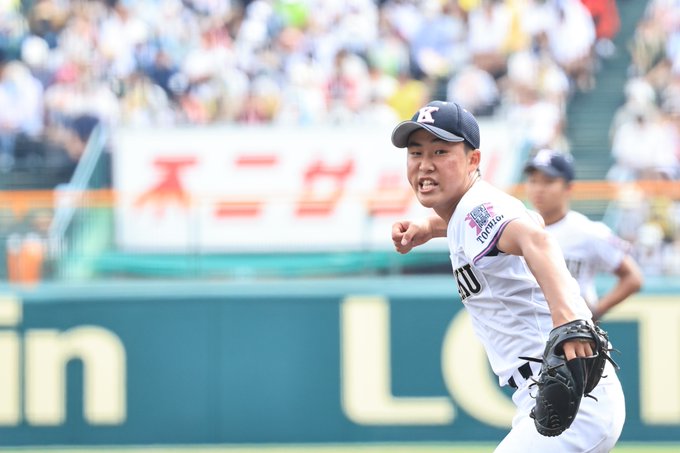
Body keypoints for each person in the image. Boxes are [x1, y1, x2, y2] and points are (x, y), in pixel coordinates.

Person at [389, 100, 625, 452]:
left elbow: (537, 239)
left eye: (440, 151)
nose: (425, 164)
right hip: (550, 393)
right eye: (415, 152)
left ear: (473, 160)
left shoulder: (477, 207)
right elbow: (525, 223)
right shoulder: (468, 211)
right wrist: (429, 227)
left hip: (577, 396)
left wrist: (569, 318)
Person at [523, 149, 644, 321]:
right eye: (533, 181)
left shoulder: (587, 231)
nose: (538, 189)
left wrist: (596, 311)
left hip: (572, 328)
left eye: (548, 181)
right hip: (529, 326)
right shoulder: (519, 228)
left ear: (568, 188)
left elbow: (633, 277)